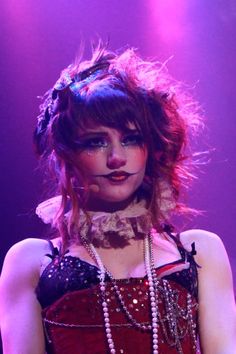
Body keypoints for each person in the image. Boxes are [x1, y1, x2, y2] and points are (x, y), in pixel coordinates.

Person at [0, 44, 235, 354]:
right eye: (96, 142)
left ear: (151, 148)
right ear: (67, 155)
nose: (116, 158)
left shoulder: (200, 252)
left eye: (131, 138)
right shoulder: (33, 261)